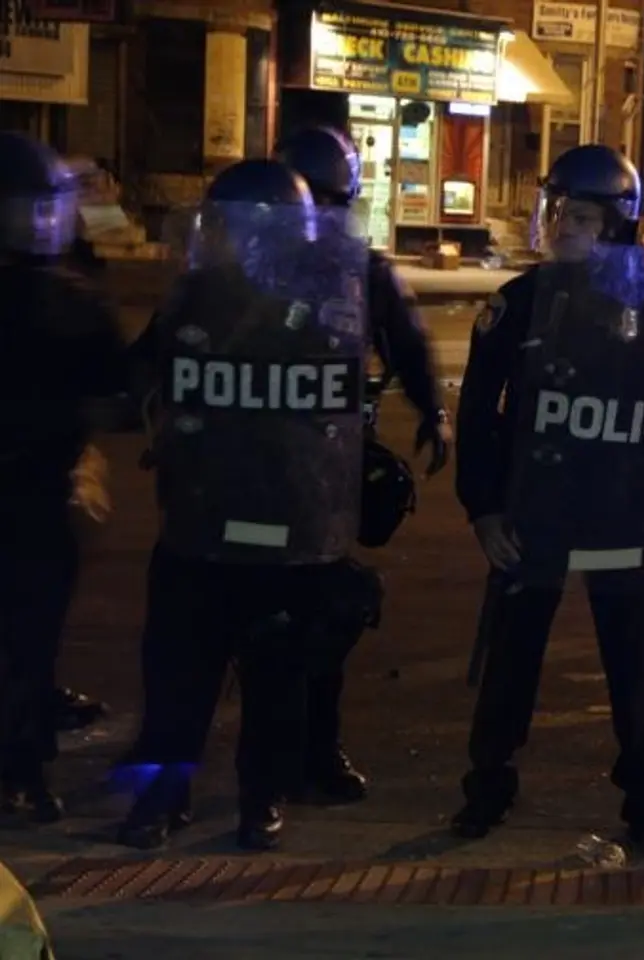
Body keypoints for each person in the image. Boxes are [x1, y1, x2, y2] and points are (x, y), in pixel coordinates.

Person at [116, 158, 378, 851]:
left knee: (275, 681)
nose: (226, 241)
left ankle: (262, 798)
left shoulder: (325, 307)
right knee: (178, 676)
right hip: (200, 520)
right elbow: (137, 377)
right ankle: (162, 796)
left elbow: (342, 408)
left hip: (284, 525)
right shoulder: (192, 298)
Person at [450, 144, 644, 859]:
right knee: (512, 657)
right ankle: (487, 785)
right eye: (558, 212)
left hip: (619, 509)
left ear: (617, 225)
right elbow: (479, 421)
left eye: (582, 216)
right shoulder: (520, 302)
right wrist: (483, 509)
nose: (565, 228)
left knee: (636, 664)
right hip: (537, 506)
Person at [273, 125, 452, 803]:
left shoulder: (362, 270)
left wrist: (434, 412)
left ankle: (317, 748)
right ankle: (201, 761)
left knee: (326, 612)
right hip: (255, 465)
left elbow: (407, 344)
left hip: (328, 467)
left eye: (326, 203)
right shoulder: (243, 264)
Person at [0, 132, 129, 821]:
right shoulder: (60, 295)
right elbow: (116, 389)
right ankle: (20, 766)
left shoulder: (67, 291)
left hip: (42, 487)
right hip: (37, 486)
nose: (44, 218)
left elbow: (112, 382)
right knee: (28, 633)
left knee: (31, 634)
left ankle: (25, 748)